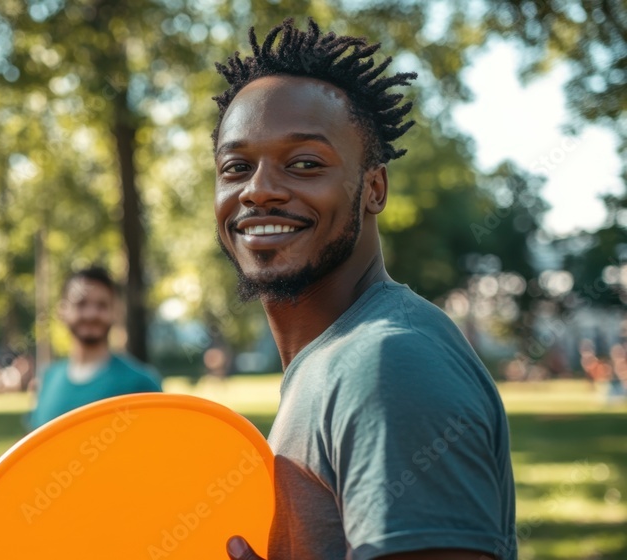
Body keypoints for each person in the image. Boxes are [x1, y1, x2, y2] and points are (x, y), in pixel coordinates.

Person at [211, 19, 517, 560]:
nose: (257, 190)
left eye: (304, 163)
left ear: (373, 188)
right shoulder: (331, 362)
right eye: (236, 167)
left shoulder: (386, 363)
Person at [28, 266, 162, 430]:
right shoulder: (48, 379)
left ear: (115, 312)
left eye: (102, 305)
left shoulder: (140, 383)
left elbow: (160, 448)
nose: (91, 314)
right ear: (62, 311)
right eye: (81, 304)